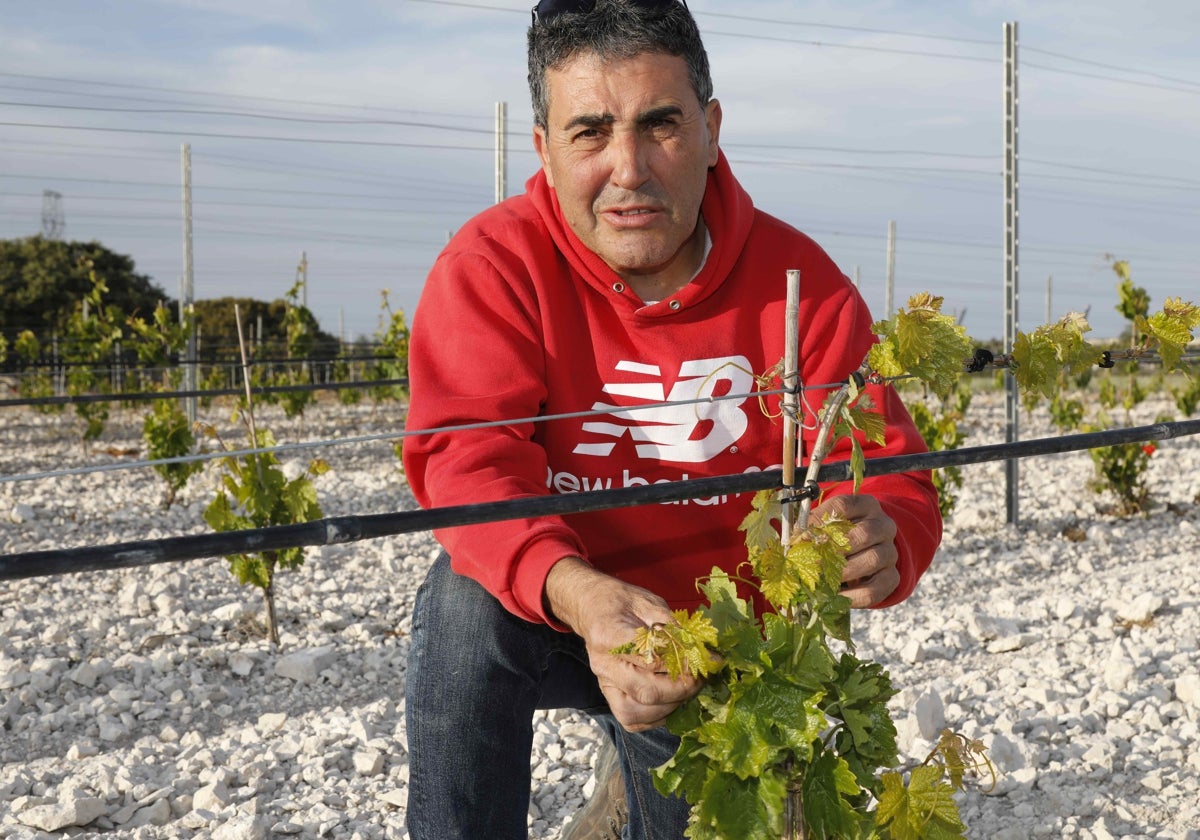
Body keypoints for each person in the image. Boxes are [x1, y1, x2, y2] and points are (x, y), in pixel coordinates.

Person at [401, 1, 942, 837]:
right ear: (543, 148)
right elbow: (468, 468)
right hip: (562, 606)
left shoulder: (801, 282)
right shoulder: (492, 266)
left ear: (712, 127)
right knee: (461, 609)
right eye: (590, 132)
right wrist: (583, 598)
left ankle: (628, 792)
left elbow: (894, 474)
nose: (629, 167)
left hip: (723, 653)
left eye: (661, 124)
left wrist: (883, 536)